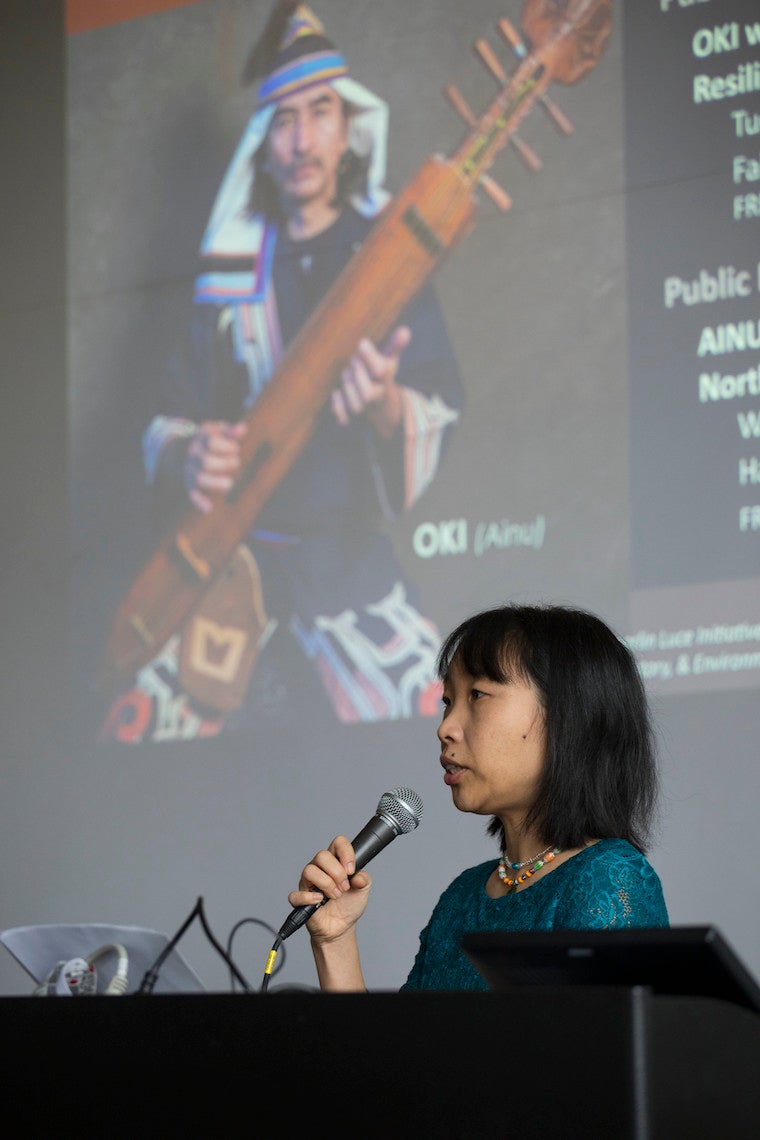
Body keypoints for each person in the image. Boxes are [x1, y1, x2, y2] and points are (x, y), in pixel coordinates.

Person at [101, 2, 463, 743]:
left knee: (441, 737)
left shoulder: (390, 257)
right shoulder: (231, 276)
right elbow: (164, 420)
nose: (301, 140)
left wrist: (388, 406)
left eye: (319, 113)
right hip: (234, 564)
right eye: (284, 120)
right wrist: (188, 453)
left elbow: (438, 400)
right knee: (137, 729)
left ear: (346, 128)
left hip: (347, 561)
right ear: (264, 144)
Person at [286, 603, 669, 991]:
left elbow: (602, 1050)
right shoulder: (462, 895)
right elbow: (395, 1051)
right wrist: (334, 941)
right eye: (448, 702)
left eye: (478, 695)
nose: (445, 728)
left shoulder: (608, 877)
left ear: (570, 715)